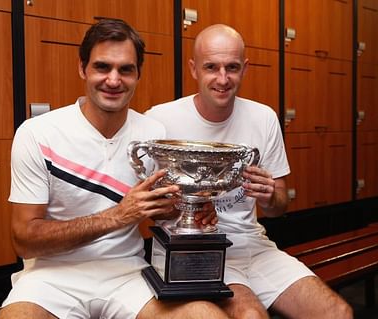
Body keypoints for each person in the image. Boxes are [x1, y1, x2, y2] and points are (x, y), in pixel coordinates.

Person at [0, 18, 230, 319]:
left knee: (206, 316)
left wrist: (188, 211)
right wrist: (118, 216)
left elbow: (162, 211)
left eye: (126, 69)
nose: (114, 80)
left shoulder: (153, 135)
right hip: (51, 277)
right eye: (102, 67)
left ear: (138, 75)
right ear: (83, 68)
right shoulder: (38, 133)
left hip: (127, 275)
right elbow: (24, 240)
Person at [146, 24, 354, 319]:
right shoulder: (161, 121)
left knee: (338, 313)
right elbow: (149, 210)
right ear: (193, 69)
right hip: (195, 248)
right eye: (211, 67)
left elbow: (279, 208)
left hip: (253, 245)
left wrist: (270, 196)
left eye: (231, 67)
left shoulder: (263, 117)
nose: (222, 78)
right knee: (251, 316)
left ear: (244, 69)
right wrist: (183, 208)